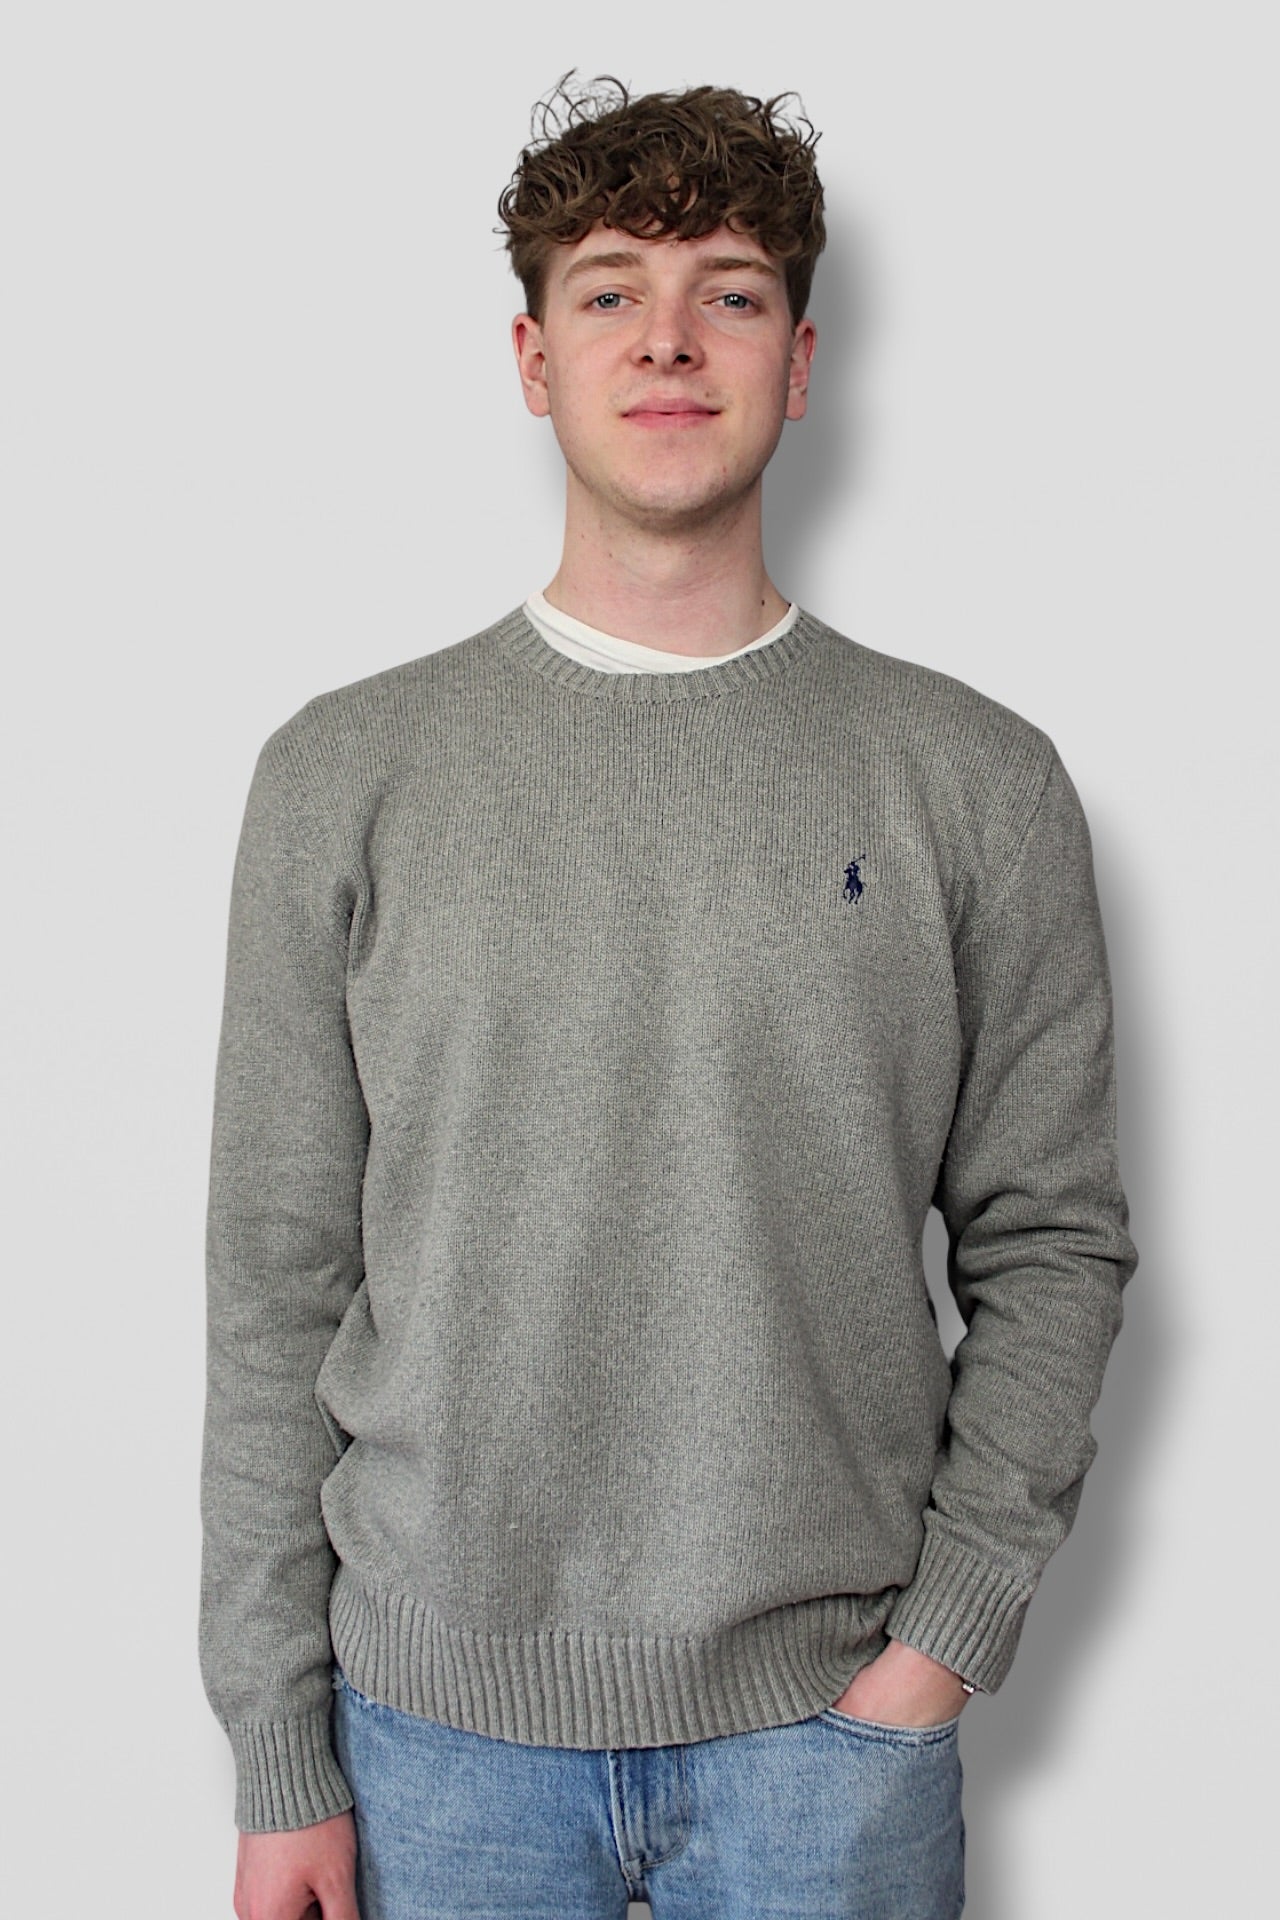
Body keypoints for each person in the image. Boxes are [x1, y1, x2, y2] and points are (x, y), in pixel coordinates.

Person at [200, 72, 1139, 1920]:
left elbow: (1055, 1243)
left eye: (731, 291)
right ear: (532, 360)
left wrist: (939, 1650)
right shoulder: (343, 776)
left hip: (829, 1741)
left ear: (802, 363)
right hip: (432, 1741)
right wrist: (278, 1746)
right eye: (611, 288)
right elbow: (273, 1282)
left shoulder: (976, 782)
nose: (668, 339)